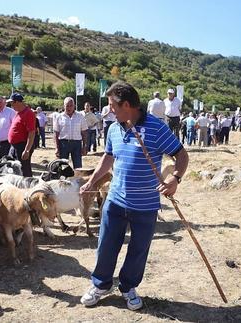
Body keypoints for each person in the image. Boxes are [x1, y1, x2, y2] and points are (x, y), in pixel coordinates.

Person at [79, 81, 188, 311]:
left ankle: (128, 287)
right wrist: (92, 181)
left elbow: (181, 154)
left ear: (127, 105)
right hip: (115, 200)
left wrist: (175, 179)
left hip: (146, 205)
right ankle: (101, 284)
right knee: (106, 245)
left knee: (138, 250)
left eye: (112, 106)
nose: (109, 110)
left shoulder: (157, 128)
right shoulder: (113, 128)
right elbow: (108, 158)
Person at [53, 97, 88, 168]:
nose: (69, 108)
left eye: (71, 105)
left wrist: (84, 146)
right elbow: (56, 134)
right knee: (63, 167)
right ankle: (63, 179)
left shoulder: (80, 116)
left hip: (77, 144)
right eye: (67, 106)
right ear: (64, 106)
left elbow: (84, 132)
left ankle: (77, 179)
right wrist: (56, 147)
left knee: (78, 167)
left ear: (74, 106)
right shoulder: (59, 117)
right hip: (63, 144)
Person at [7, 93, 36, 177]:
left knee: (24, 170)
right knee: (14, 169)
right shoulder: (18, 113)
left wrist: (27, 150)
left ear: (17, 102)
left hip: (22, 146)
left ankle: (28, 187)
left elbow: (31, 132)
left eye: (12, 103)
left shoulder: (28, 113)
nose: (11, 106)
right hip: (14, 146)